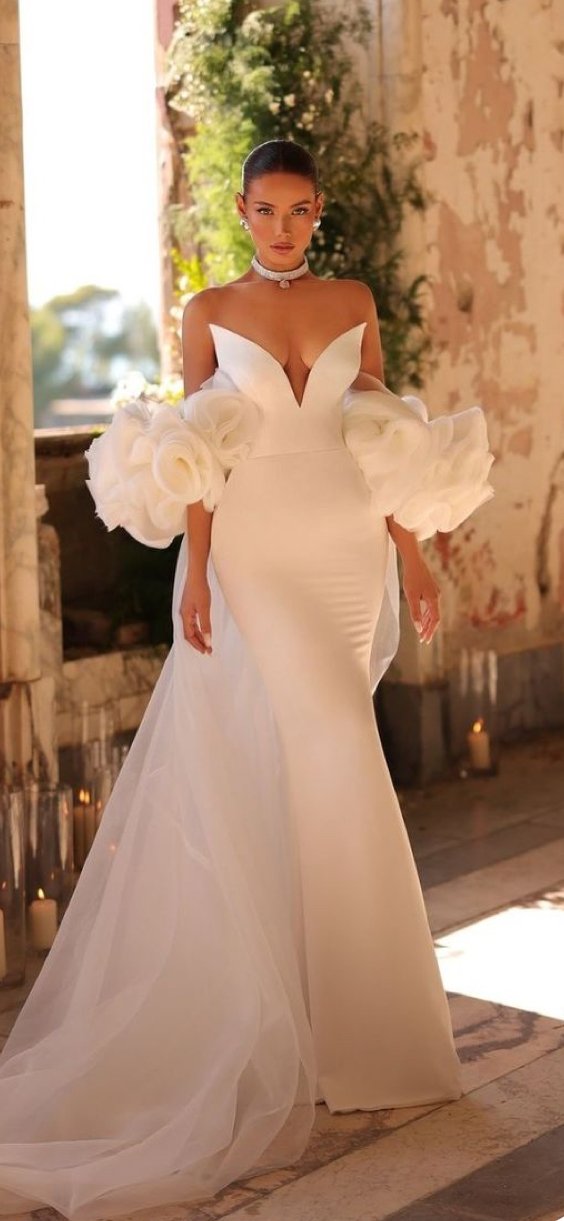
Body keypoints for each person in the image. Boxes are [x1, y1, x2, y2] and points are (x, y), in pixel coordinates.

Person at [0, 139, 495, 1221]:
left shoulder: (353, 295)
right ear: (240, 210)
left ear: (317, 212)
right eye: (266, 210)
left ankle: (350, 1035)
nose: (284, 227)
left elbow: (382, 437)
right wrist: (200, 569)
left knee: (327, 761)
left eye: (300, 210)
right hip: (258, 551)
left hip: (343, 543)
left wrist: (412, 551)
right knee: (327, 748)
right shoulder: (206, 307)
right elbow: (201, 451)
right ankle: (329, 1034)